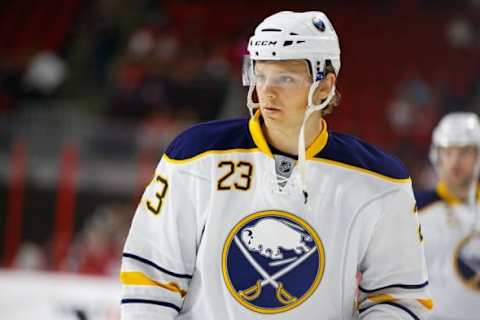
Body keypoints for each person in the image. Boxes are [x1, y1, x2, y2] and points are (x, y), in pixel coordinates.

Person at [120, 11, 432, 319]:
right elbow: (151, 277)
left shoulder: (379, 182)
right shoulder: (196, 157)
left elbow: (399, 298)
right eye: (260, 74)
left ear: (324, 87)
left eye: (285, 78)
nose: (266, 91)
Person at [415, 112, 480, 320]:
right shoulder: (412, 210)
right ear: (436, 155)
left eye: (464, 152)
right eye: (448, 151)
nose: (455, 161)